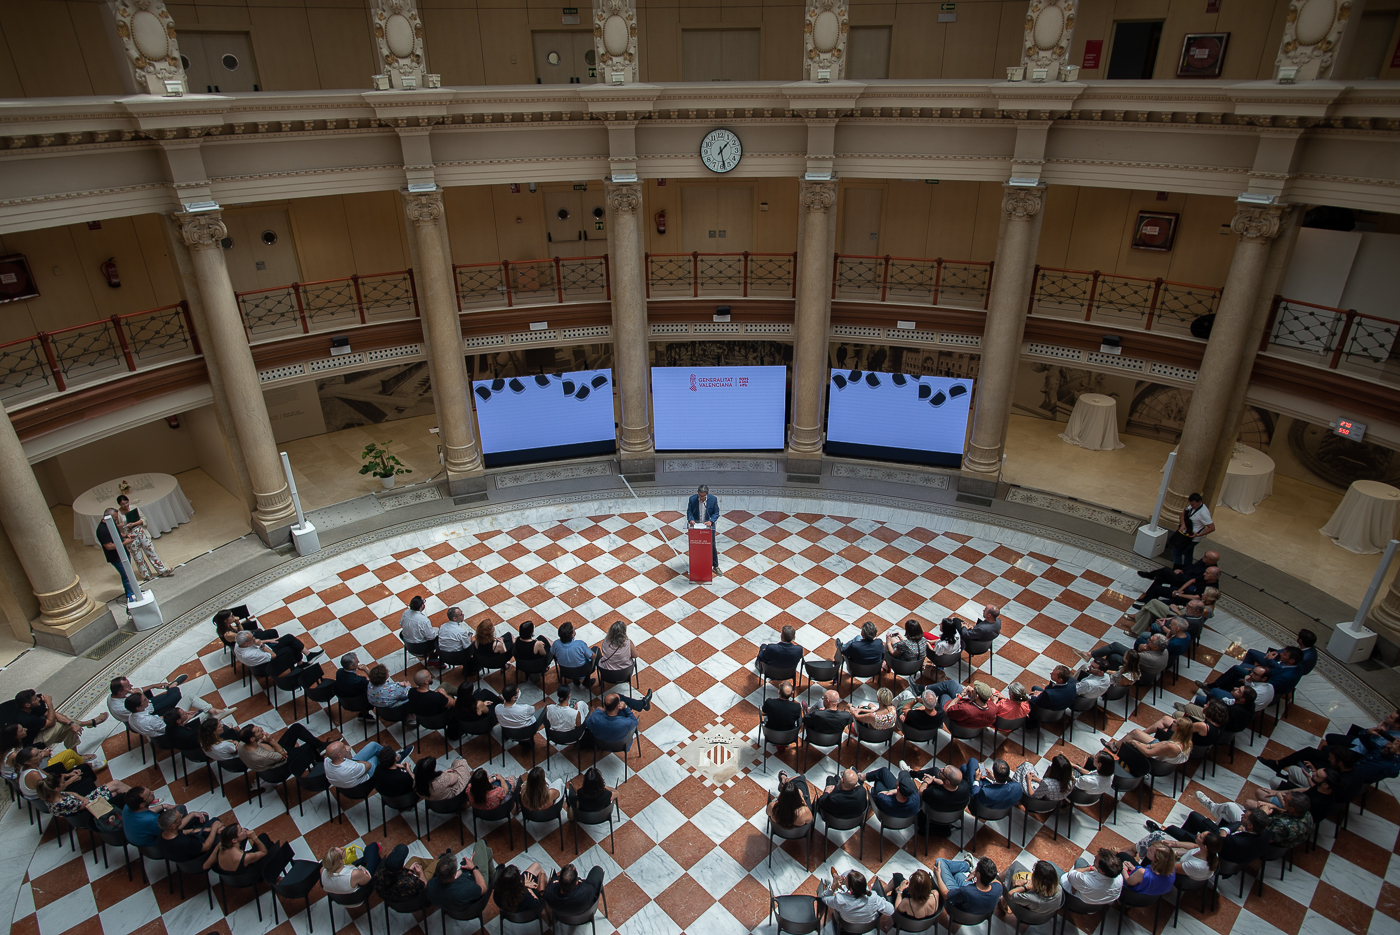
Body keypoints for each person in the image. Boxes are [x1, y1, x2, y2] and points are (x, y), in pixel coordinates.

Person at [1155, 806, 1271, 865]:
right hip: (1224, 842)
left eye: (1245, 816)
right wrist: (1225, 830)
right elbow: (1237, 824)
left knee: (1172, 829)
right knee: (1195, 816)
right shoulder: (1264, 832)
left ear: (1250, 826)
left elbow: (1216, 839)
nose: (1242, 815)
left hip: (1216, 852)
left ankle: (1168, 836)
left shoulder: (1237, 842)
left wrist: (1223, 833)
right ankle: (1183, 838)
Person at [11, 688, 104, 749]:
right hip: (32, 742)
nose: (39, 699)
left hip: (38, 731)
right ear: (27, 705)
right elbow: (51, 722)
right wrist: (49, 703)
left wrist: (71, 724)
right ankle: (88, 723)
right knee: (64, 725)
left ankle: (76, 754)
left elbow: (51, 714)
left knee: (69, 725)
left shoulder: (32, 706)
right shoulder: (26, 719)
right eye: (35, 699)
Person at [123, 785, 209, 847]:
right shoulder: (152, 820)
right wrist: (192, 814)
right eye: (149, 794)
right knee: (202, 817)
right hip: (156, 845)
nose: (153, 792)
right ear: (141, 805)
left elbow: (146, 812)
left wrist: (163, 806)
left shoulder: (128, 806)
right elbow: (173, 829)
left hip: (137, 840)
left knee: (180, 808)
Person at [115, 494, 171, 580]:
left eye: (126, 503)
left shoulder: (134, 508)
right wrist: (121, 525)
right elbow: (116, 527)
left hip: (140, 531)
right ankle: (146, 574)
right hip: (130, 535)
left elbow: (144, 519)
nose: (126, 505)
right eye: (123, 504)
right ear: (119, 504)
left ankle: (162, 570)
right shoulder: (118, 514)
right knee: (137, 555)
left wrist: (134, 524)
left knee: (150, 550)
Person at [238, 722, 328, 775]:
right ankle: (323, 765)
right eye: (258, 731)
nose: (261, 729)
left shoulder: (242, 744)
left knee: (296, 728)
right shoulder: (263, 756)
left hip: (273, 755)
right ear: (252, 739)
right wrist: (271, 741)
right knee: (309, 747)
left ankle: (321, 746)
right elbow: (283, 755)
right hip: (282, 766)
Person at [819, 867, 894, 930]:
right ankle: (837, 877)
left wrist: (833, 887)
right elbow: (891, 910)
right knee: (850, 872)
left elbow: (824, 897)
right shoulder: (873, 897)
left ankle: (836, 878)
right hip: (868, 926)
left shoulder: (840, 899)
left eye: (846, 881)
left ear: (851, 889)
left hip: (846, 924)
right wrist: (878, 904)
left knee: (848, 873)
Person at [428, 844, 493, 913]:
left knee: (487, 852)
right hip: (470, 907)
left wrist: (462, 870)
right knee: (480, 845)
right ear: (453, 876)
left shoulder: (430, 885)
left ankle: (494, 873)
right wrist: (473, 868)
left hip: (451, 908)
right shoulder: (466, 888)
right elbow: (483, 889)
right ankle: (494, 875)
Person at [233, 629, 323, 678]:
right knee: (290, 647)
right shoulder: (249, 654)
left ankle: (308, 656)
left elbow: (255, 642)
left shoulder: (238, 644)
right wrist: (262, 645)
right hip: (268, 659)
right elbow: (273, 655)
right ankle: (303, 661)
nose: (254, 639)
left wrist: (267, 641)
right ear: (245, 643)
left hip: (264, 650)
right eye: (252, 638)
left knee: (288, 638)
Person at [912, 763, 970, 836]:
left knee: (911, 786)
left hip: (932, 814)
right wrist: (934, 780)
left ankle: (910, 774)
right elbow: (948, 787)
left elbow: (920, 793)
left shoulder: (934, 792)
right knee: (935, 770)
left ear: (947, 782)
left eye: (943, 772)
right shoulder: (965, 786)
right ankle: (913, 773)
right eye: (944, 768)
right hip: (953, 815)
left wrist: (926, 781)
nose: (941, 769)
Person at [95, 507, 140, 601]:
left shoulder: (111, 523)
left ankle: (134, 590)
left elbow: (118, 533)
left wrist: (127, 536)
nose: (117, 518)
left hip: (123, 552)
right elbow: (109, 546)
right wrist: (125, 543)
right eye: (115, 517)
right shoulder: (102, 530)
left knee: (129, 572)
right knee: (126, 575)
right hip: (115, 557)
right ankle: (130, 594)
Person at [935, 855, 1002, 917]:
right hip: (979, 914)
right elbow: (995, 880)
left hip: (958, 911)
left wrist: (938, 875)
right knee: (958, 875)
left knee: (939, 862)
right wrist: (976, 873)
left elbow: (945, 894)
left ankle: (966, 864)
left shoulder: (967, 891)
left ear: (978, 874)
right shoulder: (998, 887)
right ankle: (966, 865)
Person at [107, 674, 189, 724]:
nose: (131, 686)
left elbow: (137, 690)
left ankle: (171, 688)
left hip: (143, 705)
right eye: (128, 686)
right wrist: (140, 694)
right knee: (175, 696)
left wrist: (154, 685)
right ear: (120, 692)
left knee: (169, 695)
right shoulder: (122, 708)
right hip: (147, 712)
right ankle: (173, 686)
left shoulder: (115, 694)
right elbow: (148, 708)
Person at [325, 739, 409, 787]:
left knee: (373, 745)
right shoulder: (351, 768)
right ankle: (394, 761)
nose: (346, 747)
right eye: (343, 747)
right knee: (375, 757)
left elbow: (349, 761)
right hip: (363, 780)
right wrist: (348, 754)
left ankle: (394, 757)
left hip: (347, 774)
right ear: (339, 755)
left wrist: (346, 756)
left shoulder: (327, 760)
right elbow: (368, 765)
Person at [584, 691, 650, 748]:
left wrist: (598, 710)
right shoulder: (625, 723)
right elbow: (635, 721)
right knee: (620, 697)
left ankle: (643, 704)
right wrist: (626, 708)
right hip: (621, 745)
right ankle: (643, 704)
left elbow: (587, 723)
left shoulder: (595, 719)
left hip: (600, 743)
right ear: (617, 706)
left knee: (618, 697)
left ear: (605, 706)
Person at [156, 804, 221, 860]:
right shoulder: (185, 842)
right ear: (173, 826)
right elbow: (206, 847)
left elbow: (184, 831)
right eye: (179, 817)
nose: (182, 815)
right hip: (198, 858)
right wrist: (214, 829)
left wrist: (208, 829)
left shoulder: (163, 833)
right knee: (217, 823)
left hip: (182, 853)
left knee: (212, 824)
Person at [999, 860, 1063, 916]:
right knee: (1017, 866)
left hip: (1028, 913)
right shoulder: (1059, 888)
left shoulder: (1033, 898)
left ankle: (1002, 902)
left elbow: (1010, 894)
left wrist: (1025, 887)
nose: (1032, 874)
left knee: (1013, 872)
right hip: (1046, 912)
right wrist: (1027, 882)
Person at [1170, 493, 1215, 567]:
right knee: (1188, 553)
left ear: (1199, 502)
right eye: (1190, 504)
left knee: (1177, 552)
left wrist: (1199, 534)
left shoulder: (1204, 513)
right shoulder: (1192, 506)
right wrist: (1183, 524)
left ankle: (1177, 569)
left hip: (1193, 538)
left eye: (1193, 504)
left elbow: (1212, 528)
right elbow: (1182, 514)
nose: (1191, 506)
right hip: (1185, 534)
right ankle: (1188, 568)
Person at [687, 484, 721, 574]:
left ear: (707, 493)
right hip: (696, 527)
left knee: (712, 546)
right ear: (698, 492)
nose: (702, 498)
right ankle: (696, 565)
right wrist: (691, 519)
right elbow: (689, 511)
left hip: (708, 527)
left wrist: (711, 521)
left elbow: (716, 512)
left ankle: (715, 566)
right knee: (696, 546)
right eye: (700, 496)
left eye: (704, 496)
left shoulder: (713, 499)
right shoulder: (692, 499)